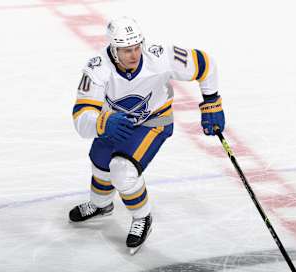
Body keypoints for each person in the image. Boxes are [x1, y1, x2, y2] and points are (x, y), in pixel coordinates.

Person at [69, 16, 225, 254]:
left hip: (154, 121)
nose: (134, 54)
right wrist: (102, 123)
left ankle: (142, 218)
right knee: (100, 164)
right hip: (115, 123)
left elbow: (205, 63)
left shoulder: (161, 56)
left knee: (122, 171)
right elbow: (81, 119)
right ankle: (101, 205)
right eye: (126, 50)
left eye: (136, 47)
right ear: (113, 49)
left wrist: (212, 101)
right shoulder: (97, 69)